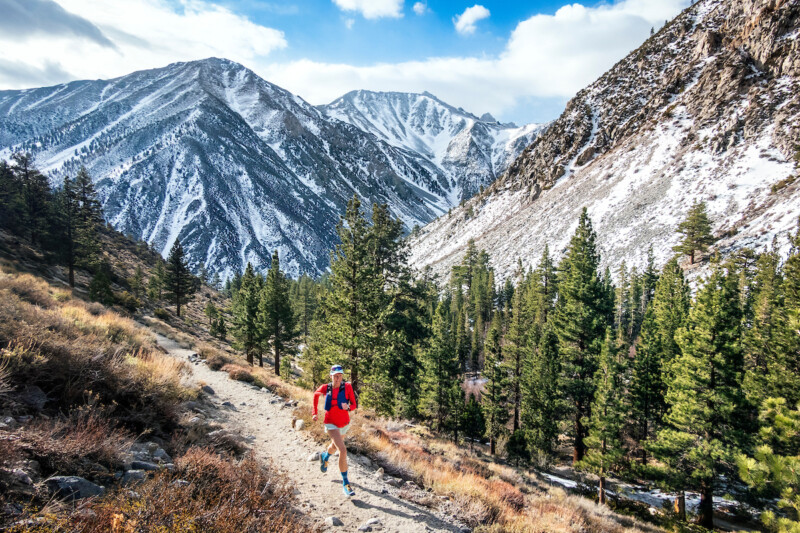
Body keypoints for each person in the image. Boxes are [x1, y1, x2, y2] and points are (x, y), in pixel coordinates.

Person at [312, 364, 358, 497]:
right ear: (331, 376)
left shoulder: (347, 387)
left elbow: (354, 405)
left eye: (340, 376)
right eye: (335, 376)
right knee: (342, 450)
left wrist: (348, 408)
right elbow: (315, 395)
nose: (338, 378)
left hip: (344, 423)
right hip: (331, 423)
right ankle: (346, 483)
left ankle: (325, 456)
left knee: (334, 445)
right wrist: (315, 413)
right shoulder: (326, 388)